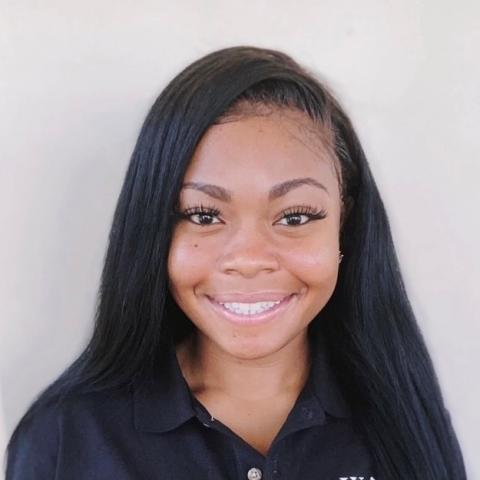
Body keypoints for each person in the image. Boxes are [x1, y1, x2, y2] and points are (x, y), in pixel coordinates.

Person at [4, 46, 467, 480]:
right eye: (204, 216)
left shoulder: (405, 420)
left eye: (295, 217)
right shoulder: (67, 438)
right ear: (155, 231)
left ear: (346, 228)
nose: (247, 259)